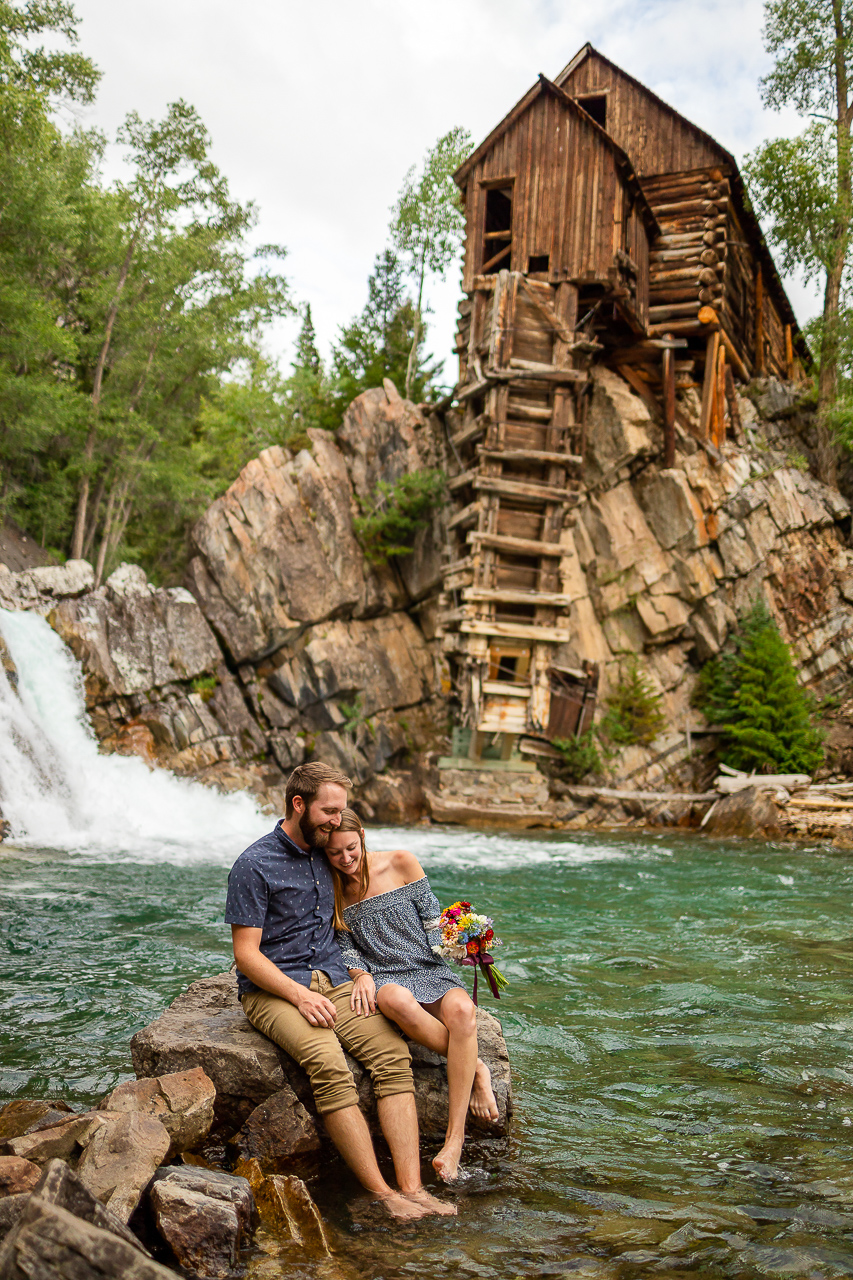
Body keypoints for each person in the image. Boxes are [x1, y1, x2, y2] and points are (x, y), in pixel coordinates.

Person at [225, 761, 454, 1220]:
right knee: (329, 1064)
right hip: (274, 991)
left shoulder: (328, 852)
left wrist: (362, 973)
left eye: (341, 811)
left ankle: (413, 1189)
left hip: (336, 981)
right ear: (299, 804)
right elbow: (246, 954)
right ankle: (384, 1196)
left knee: (392, 1056)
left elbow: (353, 923)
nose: (336, 820)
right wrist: (297, 994)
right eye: (329, 811)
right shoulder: (254, 864)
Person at [325, 810, 500, 1184]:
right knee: (395, 1003)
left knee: (463, 1014)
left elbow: (431, 919)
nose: (345, 859)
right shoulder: (331, 888)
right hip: (386, 976)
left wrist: (457, 943)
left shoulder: (402, 861)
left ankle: (455, 1140)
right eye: (335, 852)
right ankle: (476, 1066)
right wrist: (359, 976)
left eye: (351, 848)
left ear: (363, 837)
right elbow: (345, 945)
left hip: (428, 967)